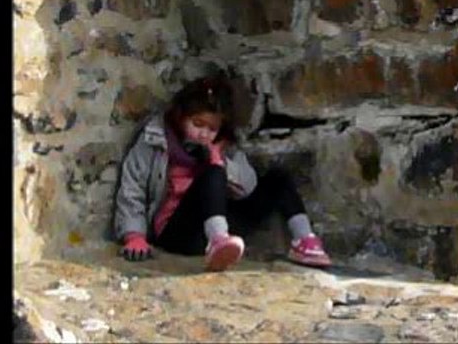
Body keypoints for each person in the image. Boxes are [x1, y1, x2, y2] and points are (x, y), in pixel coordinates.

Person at [113, 74, 332, 270]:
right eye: (198, 124)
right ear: (181, 116)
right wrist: (135, 236)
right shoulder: (155, 139)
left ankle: (305, 240)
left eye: (211, 129)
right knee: (212, 174)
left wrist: (219, 160)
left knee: (277, 179)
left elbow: (248, 188)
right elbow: (133, 188)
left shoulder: (224, 145)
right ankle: (216, 240)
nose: (203, 134)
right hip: (176, 233)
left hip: (223, 226)